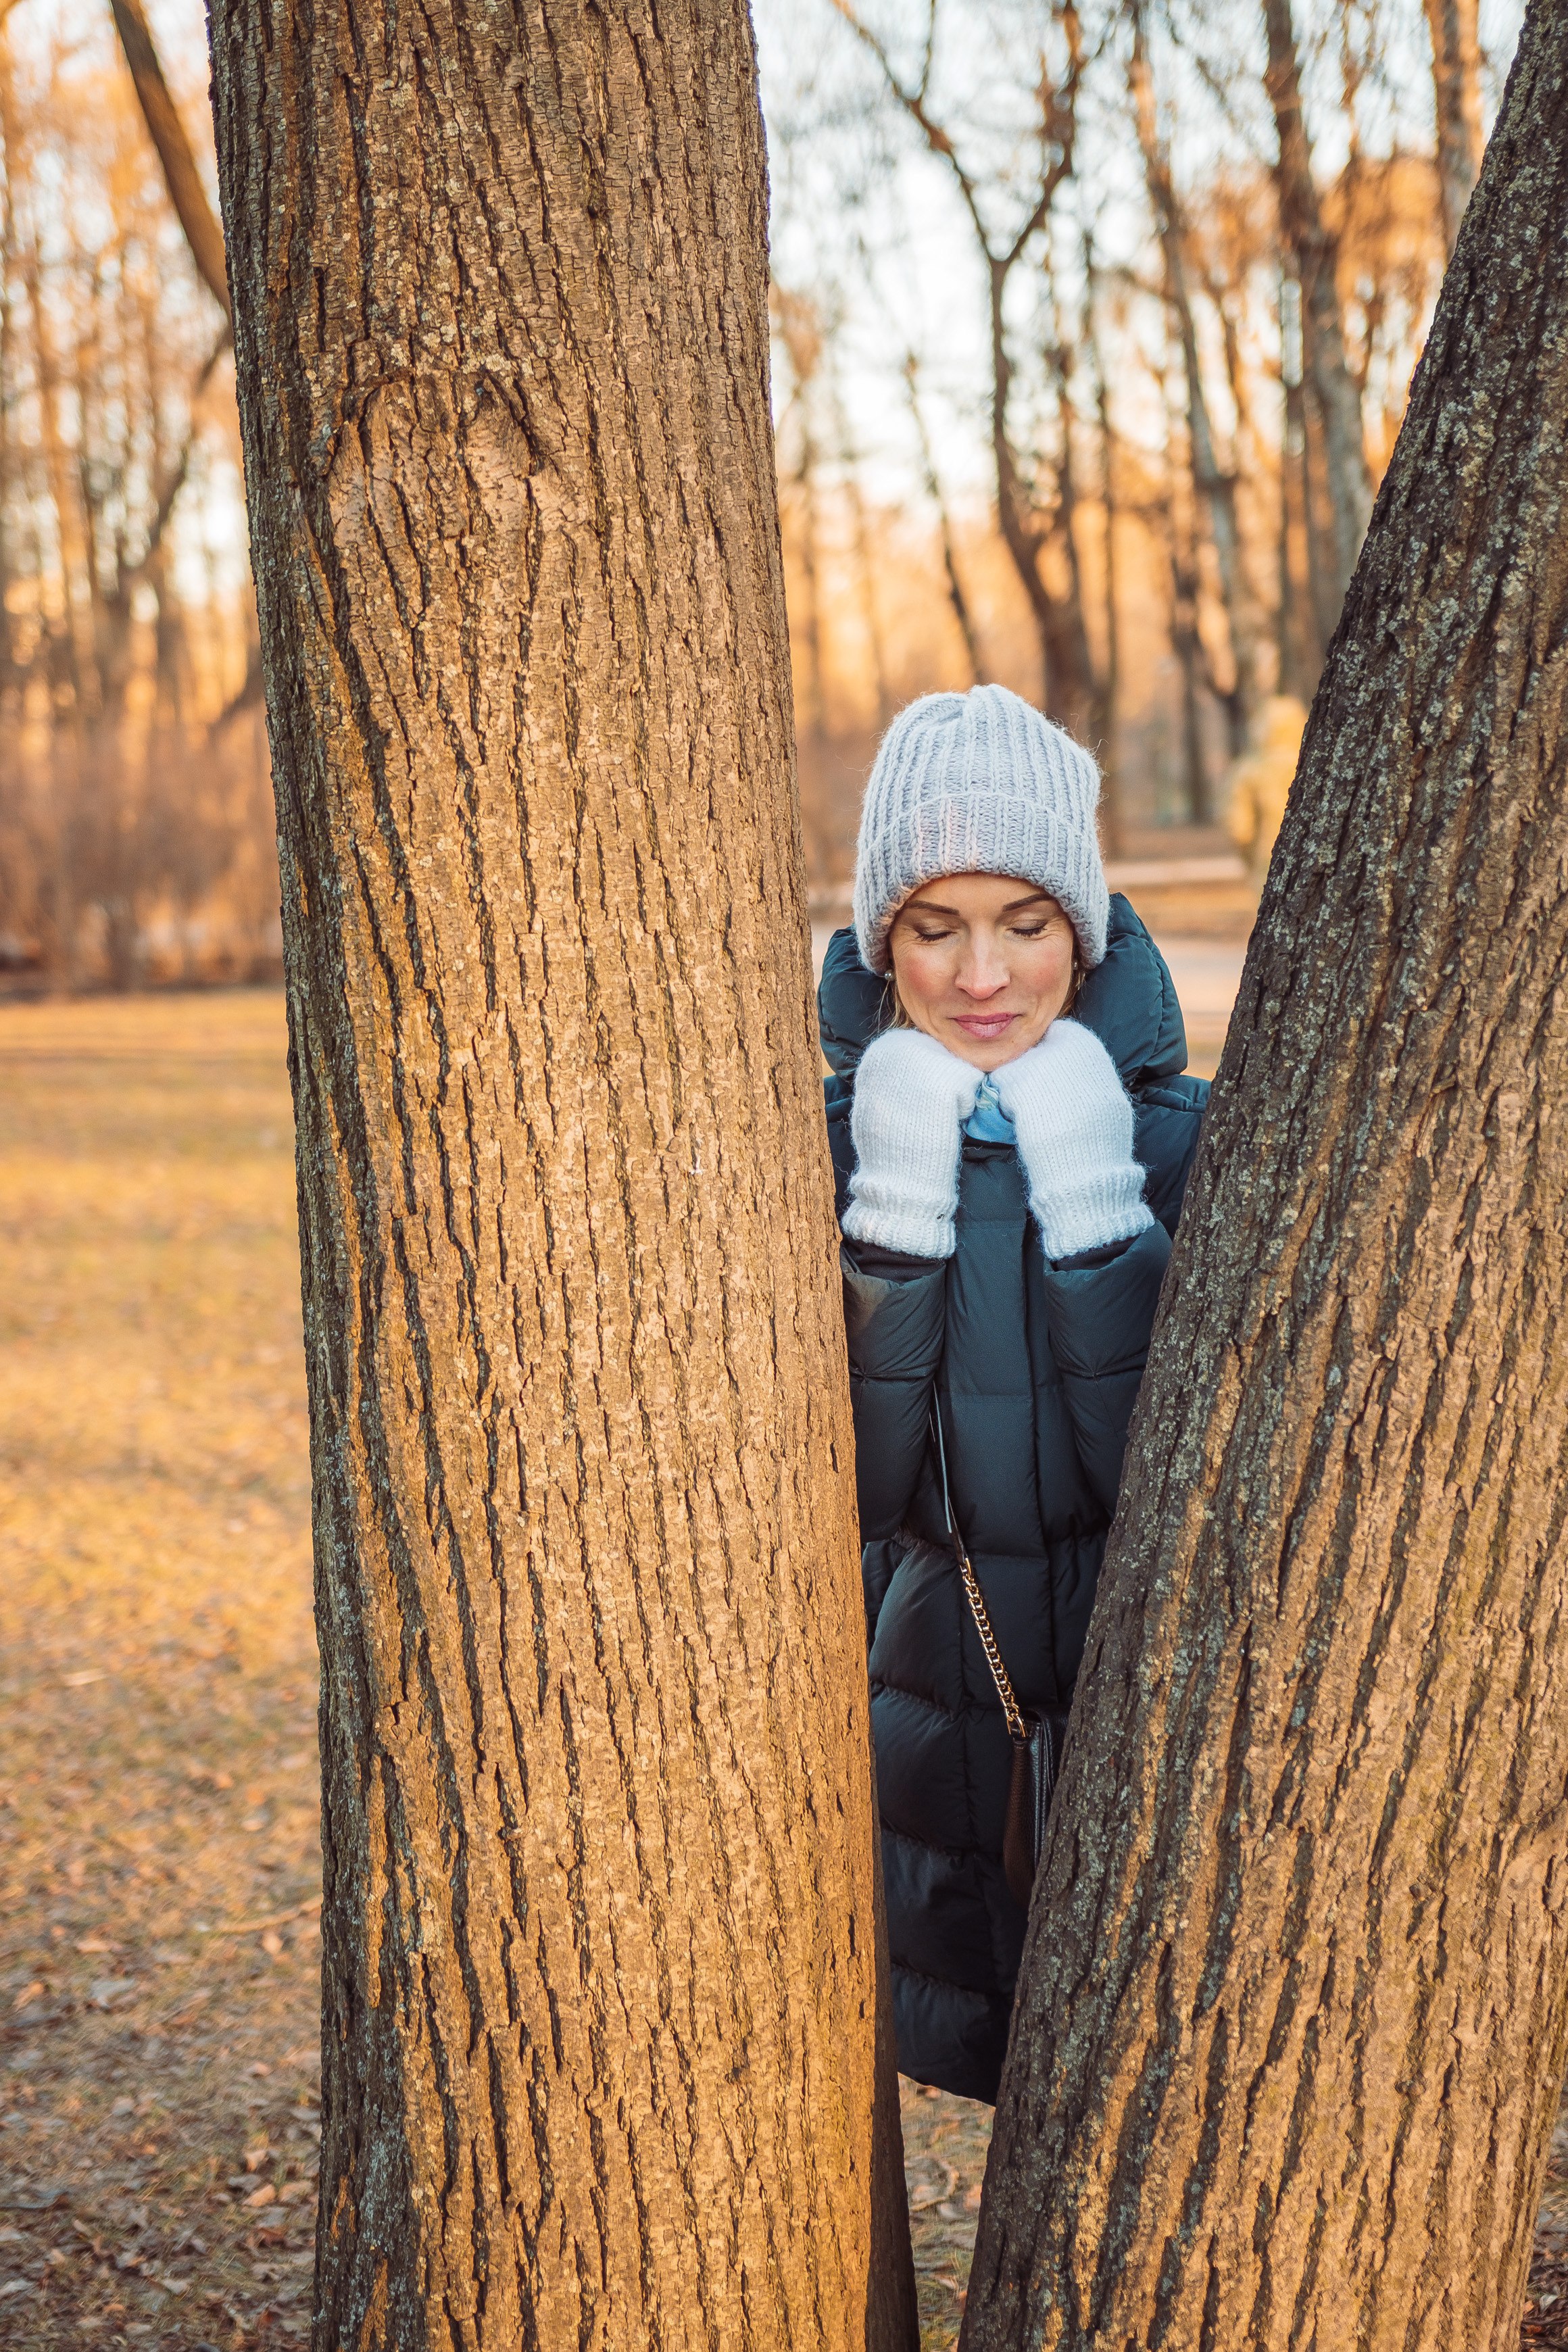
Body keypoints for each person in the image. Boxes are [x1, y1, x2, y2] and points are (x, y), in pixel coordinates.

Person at [820, 683, 1209, 2103]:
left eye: (1023, 923)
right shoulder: (828, 1150)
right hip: (942, 1719)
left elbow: (1166, 1478)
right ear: (883, 943)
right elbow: (848, 1490)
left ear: (1081, 929)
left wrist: (1098, 1204)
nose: (981, 973)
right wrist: (897, 1216)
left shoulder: (1187, 1147)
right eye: (934, 927)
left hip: (1154, 1714)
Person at [1225, 693, 1307, 903]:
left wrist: (1249, 862)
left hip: (1268, 862)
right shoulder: (1317, 765)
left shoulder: (1250, 771)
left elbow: (1240, 830)